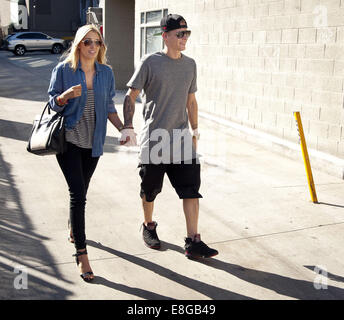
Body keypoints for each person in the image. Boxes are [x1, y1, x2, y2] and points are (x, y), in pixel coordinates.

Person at [120, 14, 218, 259]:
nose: (184, 38)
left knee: (191, 190)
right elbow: (130, 96)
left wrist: (195, 131)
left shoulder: (190, 65)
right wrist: (128, 126)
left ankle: (193, 240)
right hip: (155, 138)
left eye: (187, 33)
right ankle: (148, 225)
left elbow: (191, 101)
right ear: (165, 36)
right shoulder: (150, 63)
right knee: (150, 189)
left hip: (182, 138)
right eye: (179, 34)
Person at [48, 24, 124, 281]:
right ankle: (81, 253)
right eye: (87, 42)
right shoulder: (64, 70)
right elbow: (51, 102)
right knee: (78, 194)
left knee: (83, 189)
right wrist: (63, 97)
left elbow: (109, 105)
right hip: (68, 139)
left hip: (94, 142)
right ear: (78, 44)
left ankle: (73, 226)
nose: (93, 47)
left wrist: (125, 129)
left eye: (97, 42)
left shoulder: (106, 73)